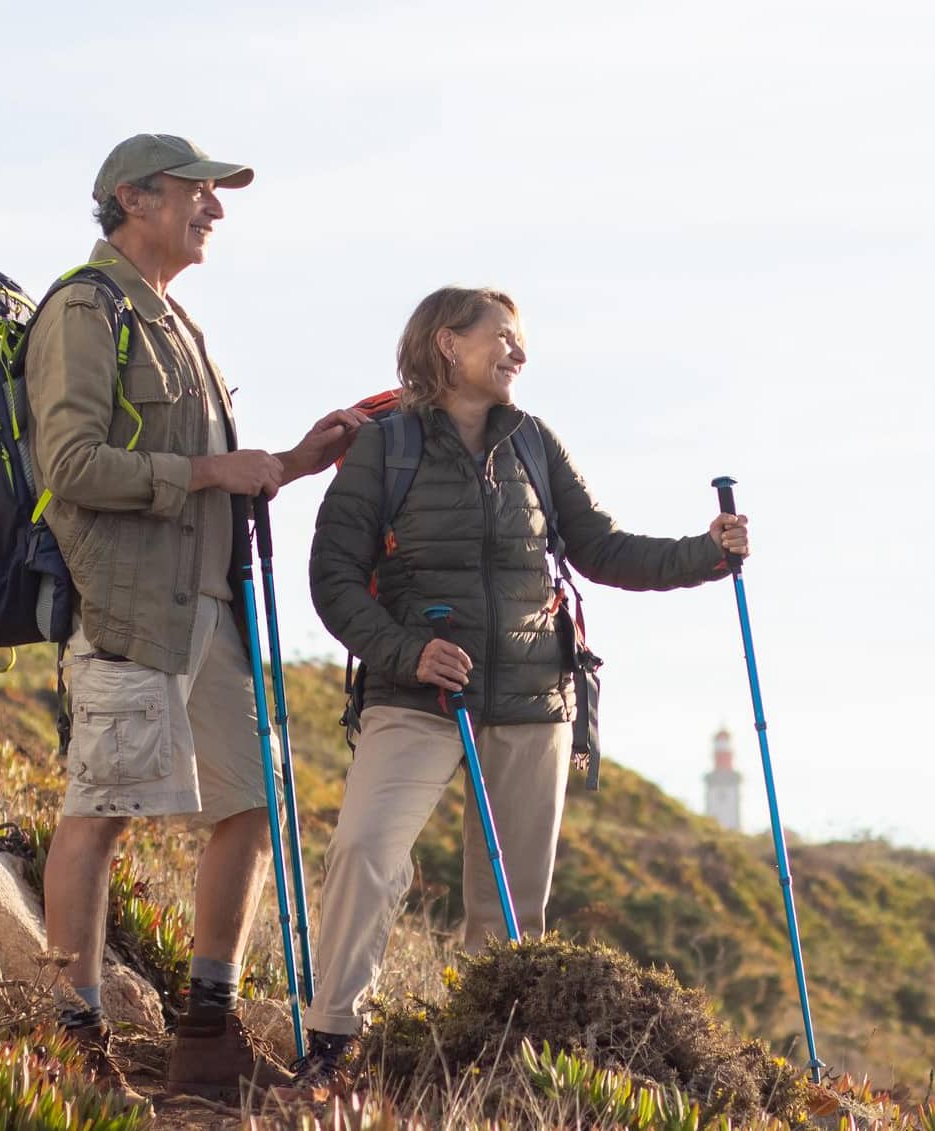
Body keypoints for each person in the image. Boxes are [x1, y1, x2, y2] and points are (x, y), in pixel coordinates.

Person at [289, 286, 751, 1091]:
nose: (519, 353)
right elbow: (332, 578)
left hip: (536, 699)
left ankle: (480, 1062)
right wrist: (405, 651)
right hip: (413, 697)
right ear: (445, 344)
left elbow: (602, 546)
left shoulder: (535, 442)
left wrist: (705, 553)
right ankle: (334, 1041)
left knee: (508, 913)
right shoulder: (384, 447)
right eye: (502, 337)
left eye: (520, 340)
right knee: (365, 849)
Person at [21, 132, 367, 1100]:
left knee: (251, 807)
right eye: (197, 192)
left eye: (217, 195)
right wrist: (214, 469)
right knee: (102, 813)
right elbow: (72, 468)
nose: (214, 208)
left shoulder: (175, 323)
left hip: (208, 612)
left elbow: (206, 479)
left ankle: (205, 1039)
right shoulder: (84, 312)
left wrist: (291, 463)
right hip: (126, 609)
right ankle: (71, 1041)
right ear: (133, 199)